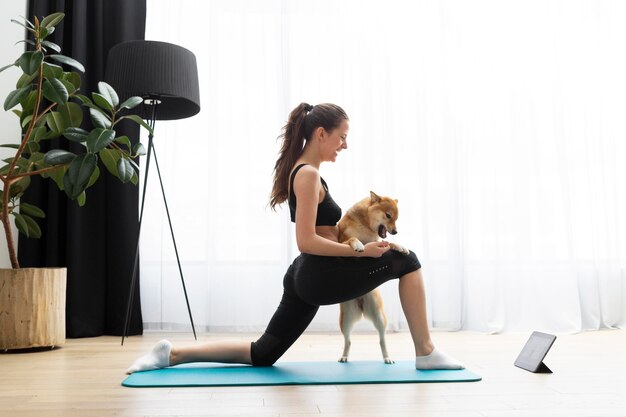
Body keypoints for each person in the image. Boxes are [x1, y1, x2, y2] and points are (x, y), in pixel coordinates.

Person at [126, 103, 464, 374]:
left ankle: (171, 353)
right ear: (321, 133)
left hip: (306, 274)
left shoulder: (306, 171)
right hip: (318, 274)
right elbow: (306, 241)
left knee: (262, 353)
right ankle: (426, 352)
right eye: (342, 137)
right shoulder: (308, 174)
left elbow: (320, 235)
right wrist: (362, 253)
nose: (345, 145)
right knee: (409, 261)